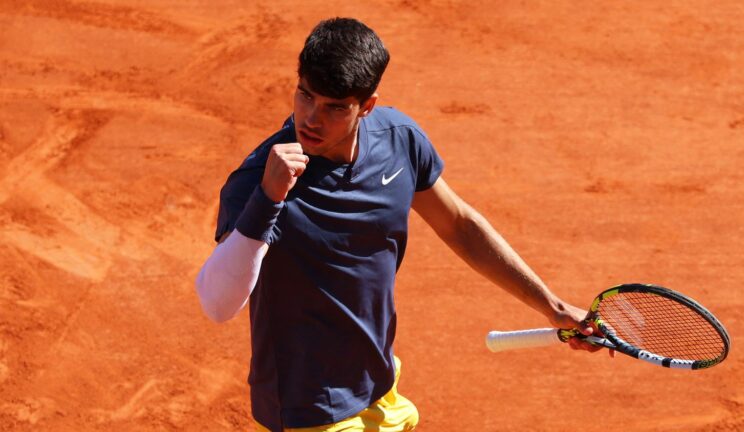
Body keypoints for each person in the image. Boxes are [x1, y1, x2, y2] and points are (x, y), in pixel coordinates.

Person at [195, 17, 601, 432]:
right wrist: (268, 199)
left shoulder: (398, 140)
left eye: (335, 107)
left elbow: (459, 224)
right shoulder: (257, 181)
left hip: (381, 385)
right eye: (305, 95)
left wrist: (551, 306)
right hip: (312, 409)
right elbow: (217, 304)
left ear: (367, 106)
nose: (312, 118)